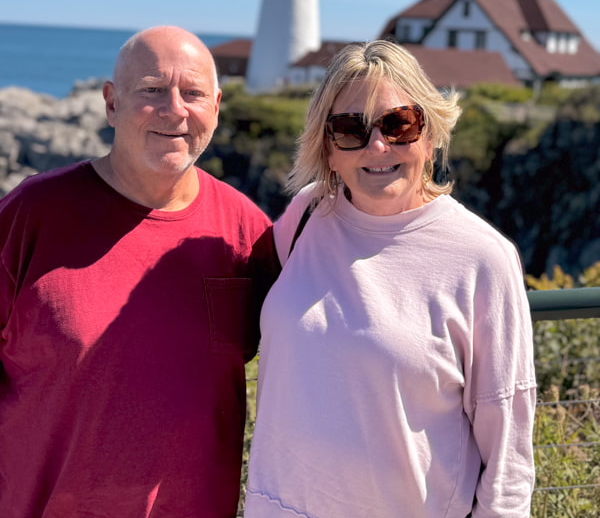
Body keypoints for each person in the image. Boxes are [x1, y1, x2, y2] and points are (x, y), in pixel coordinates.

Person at [245, 40, 537, 518]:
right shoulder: (305, 217)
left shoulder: (483, 258)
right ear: (328, 148)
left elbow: (508, 453)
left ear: (430, 132)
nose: (378, 145)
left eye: (399, 123)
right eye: (349, 129)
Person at [0, 25, 280, 518]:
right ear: (111, 103)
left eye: (192, 93)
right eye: (152, 89)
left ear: (215, 107)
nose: (175, 109)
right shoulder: (32, 214)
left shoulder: (247, 233)